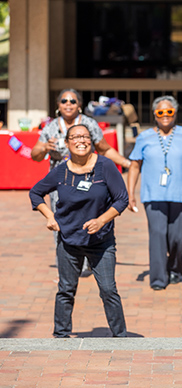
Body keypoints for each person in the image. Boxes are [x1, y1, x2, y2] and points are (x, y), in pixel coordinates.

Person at [29, 123, 128, 338]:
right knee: (66, 289)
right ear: (67, 143)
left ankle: (121, 337)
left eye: (85, 137)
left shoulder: (105, 166)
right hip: (68, 241)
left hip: (101, 241)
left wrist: (101, 220)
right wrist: (50, 216)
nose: (80, 141)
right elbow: (36, 193)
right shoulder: (61, 171)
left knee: (108, 289)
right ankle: (61, 335)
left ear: (91, 141)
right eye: (75, 137)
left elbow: (122, 200)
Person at [31, 89, 132, 275]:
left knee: (89, 217)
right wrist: (45, 147)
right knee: (62, 222)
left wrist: (127, 163)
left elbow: (104, 149)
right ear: (58, 105)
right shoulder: (51, 127)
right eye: (64, 101)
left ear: (79, 105)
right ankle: (67, 263)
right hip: (61, 185)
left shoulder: (88, 124)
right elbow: (35, 155)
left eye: (72, 101)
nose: (68, 104)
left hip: (90, 181)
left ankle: (89, 261)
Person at [127, 96, 182, 291]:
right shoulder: (144, 137)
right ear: (154, 114)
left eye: (169, 111)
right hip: (153, 195)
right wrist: (130, 193)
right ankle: (158, 278)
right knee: (158, 235)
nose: (165, 116)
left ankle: (173, 266)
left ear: (175, 113)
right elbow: (134, 166)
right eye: (160, 112)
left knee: (180, 237)